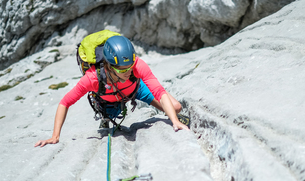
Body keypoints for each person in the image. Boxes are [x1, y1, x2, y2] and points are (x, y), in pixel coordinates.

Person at [35, 35, 189, 148]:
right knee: (112, 114)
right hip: (107, 97)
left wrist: (174, 121)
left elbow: (159, 90)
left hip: (135, 89)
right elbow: (65, 102)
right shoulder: (92, 79)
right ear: (108, 66)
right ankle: (105, 115)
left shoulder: (136, 65)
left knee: (175, 108)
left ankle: (171, 114)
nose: (128, 71)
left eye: (130, 67)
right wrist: (55, 136)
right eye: (123, 69)